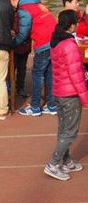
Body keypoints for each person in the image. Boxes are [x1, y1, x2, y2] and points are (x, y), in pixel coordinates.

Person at [43, 10, 88, 181]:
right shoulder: (69, 45)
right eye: (76, 22)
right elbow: (76, 74)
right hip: (70, 94)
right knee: (70, 132)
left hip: (60, 91)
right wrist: (85, 98)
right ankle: (53, 163)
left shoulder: (56, 41)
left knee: (63, 130)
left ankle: (67, 161)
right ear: (71, 25)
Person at [12, 0, 57, 116]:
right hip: (53, 41)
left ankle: (35, 106)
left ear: (16, 0)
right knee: (50, 74)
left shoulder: (24, 9)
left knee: (38, 74)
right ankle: (52, 105)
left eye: (12, 3)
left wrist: (13, 44)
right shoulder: (39, 4)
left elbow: (23, 32)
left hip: (42, 43)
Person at [5, 0, 32, 98]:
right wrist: (9, 31)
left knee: (22, 68)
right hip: (13, 45)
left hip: (24, 44)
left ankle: (20, 87)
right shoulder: (7, 12)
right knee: (12, 67)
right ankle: (11, 87)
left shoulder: (25, 10)